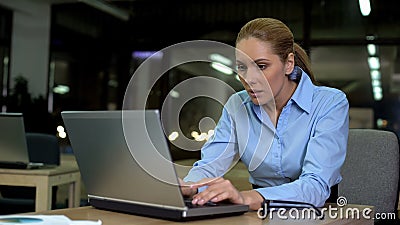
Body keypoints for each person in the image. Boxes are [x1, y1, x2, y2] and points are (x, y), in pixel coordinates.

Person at [180, 17, 349, 211]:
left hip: (319, 212)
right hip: (257, 212)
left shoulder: (329, 103)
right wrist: (188, 186)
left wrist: (246, 198)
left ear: (289, 64)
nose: (249, 79)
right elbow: (210, 165)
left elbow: (316, 187)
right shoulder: (237, 105)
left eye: (261, 66)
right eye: (242, 67)